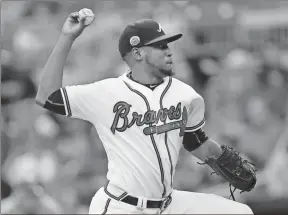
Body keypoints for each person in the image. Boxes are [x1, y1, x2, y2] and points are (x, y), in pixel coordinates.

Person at [35, 10, 255, 214]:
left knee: (240, 212)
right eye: (159, 46)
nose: (168, 51)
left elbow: (195, 141)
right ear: (137, 54)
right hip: (121, 206)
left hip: (169, 204)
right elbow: (47, 97)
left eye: (167, 45)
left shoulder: (184, 94)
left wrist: (223, 158)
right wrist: (67, 38)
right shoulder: (106, 92)